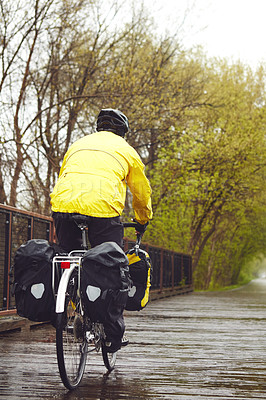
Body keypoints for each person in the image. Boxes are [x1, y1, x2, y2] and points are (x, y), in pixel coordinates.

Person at [50, 108, 153, 352]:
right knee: (112, 267)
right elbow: (141, 192)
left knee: (68, 255)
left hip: (64, 209)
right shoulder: (126, 151)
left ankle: (71, 302)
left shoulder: (77, 145)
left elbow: (65, 176)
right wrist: (142, 218)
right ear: (122, 132)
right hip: (103, 213)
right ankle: (111, 332)